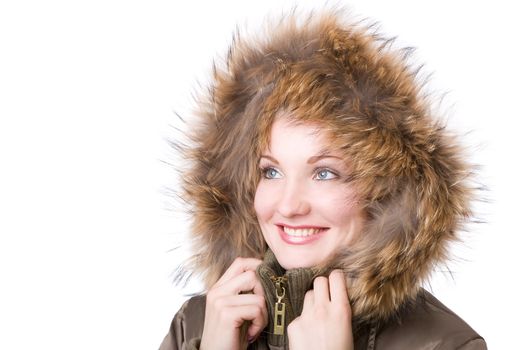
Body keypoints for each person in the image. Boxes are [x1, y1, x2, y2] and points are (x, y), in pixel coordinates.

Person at [160, 8, 486, 350]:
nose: (287, 205)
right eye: (271, 171)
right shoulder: (198, 324)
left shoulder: (445, 344)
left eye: (324, 173)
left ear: (386, 193)